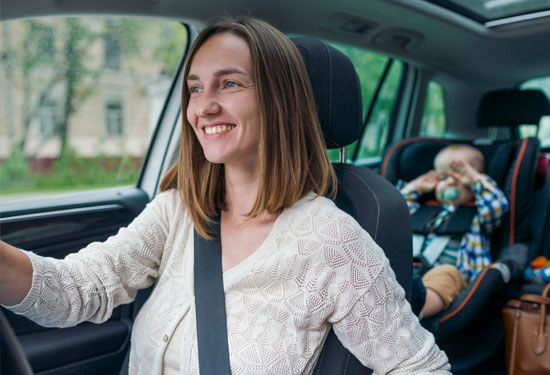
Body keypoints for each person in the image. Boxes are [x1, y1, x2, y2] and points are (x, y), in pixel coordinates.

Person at [0, 17, 451, 374]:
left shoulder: (331, 240)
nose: (204, 106)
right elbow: (78, 290)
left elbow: (418, 366)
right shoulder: (179, 211)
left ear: (278, 100)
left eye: (229, 83)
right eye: (195, 87)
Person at [398, 144, 524, 318]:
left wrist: (475, 179)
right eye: (443, 178)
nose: (449, 182)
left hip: (453, 274)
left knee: (444, 277)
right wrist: (417, 187)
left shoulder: (478, 216)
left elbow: (496, 205)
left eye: (458, 178)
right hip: (410, 269)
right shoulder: (422, 211)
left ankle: (416, 308)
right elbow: (395, 210)